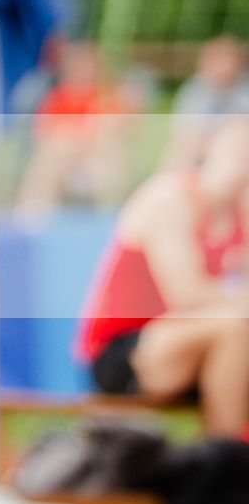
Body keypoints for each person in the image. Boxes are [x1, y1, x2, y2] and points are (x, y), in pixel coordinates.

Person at [76, 117, 249, 436]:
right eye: (236, 152)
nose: (241, 165)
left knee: (235, 333)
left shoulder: (240, 213)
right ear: (210, 148)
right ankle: (230, 458)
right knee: (235, 330)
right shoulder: (170, 198)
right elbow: (187, 297)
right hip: (124, 351)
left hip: (193, 346)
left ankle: (223, 459)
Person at [16, 39, 147, 216]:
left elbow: (123, 130)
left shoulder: (108, 96)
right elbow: (43, 136)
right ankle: (32, 217)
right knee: (59, 146)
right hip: (65, 165)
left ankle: (109, 218)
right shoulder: (57, 98)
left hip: (98, 162)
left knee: (108, 143)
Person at [164, 36, 249, 170]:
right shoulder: (195, 89)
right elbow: (184, 132)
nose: (223, 68)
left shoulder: (244, 90)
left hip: (233, 152)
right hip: (198, 150)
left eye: (227, 61)